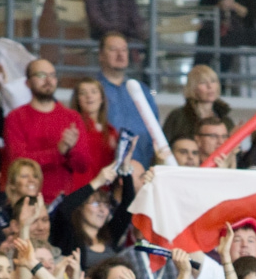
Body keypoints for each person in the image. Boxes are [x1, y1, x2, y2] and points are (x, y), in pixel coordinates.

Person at [3, 59, 87, 201]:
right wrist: (58, 152)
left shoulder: (72, 117)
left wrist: (70, 150)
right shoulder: (15, 117)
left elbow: (83, 165)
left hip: (63, 200)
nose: (48, 80)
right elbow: (18, 161)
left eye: (52, 75)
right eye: (41, 75)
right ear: (27, 83)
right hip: (27, 200)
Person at [97, 33, 156, 168]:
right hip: (106, 169)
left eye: (124, 50)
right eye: (113, 49)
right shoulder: (93, 90)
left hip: (142, 167)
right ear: (101, 55)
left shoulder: (143, 90)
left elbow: (154, 128)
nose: (120, 54)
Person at [163, 65, 234, 144]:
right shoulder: (178, 117)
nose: (210, 86)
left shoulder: (225, 120)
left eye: (213, 81)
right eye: (203, 82)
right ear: (193, 87)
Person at [70, 77, 117, 191]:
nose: (89, 96)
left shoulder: (111, 132)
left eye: (94, 92)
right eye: (83, 93)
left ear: (101, 98)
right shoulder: (71, 128)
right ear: (78, 100)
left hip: (104, 194)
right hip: (80, 191)